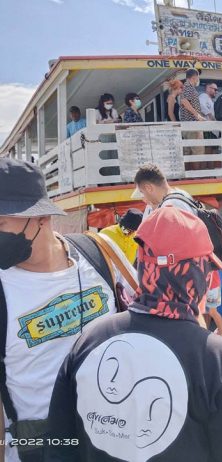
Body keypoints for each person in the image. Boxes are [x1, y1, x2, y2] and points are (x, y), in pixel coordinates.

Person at [46, 206, 222, 461]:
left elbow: (58, 445)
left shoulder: (89, 340)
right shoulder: (216, 357)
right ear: (196, 273)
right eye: (208, 269)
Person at [0, 158, 136, 462]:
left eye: (0, 224)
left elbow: (151, 318)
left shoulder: (100, 253)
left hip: (113, 437)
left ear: (40, 218)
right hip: (39, 448)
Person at [180, 69, 205, 165]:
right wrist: (197, 115)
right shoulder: (188, 87)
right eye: (198, 77)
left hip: (189, 125)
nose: (198, 80)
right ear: (195, 77)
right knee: (197, 152)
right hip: (192, 125)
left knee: (189, 153)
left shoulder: (186, 87)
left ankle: (190, 173)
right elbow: (184, 101)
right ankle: (196, 174)